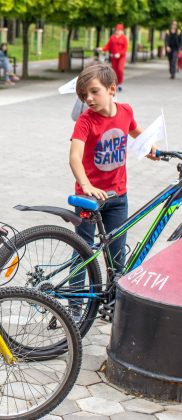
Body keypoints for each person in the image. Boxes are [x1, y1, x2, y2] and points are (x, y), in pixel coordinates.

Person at [69, 63, 157, 314]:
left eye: (94, 92)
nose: (89, 99)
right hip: (88, 197)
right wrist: (86, 185)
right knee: (83, 251)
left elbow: (137, 134)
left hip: (118, 195)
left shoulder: (126, 111)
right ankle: (74, 308)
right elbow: (75, 156)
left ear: (111, 89)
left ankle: (111, 304)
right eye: (84, 95)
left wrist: (149, 147)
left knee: (116, 253)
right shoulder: (86, 120)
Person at [100, 24, 128, 91]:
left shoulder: (124, 38)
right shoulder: (112, 37)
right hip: (114, 57)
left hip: (121, 57)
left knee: (120, 70)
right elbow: (108, 46)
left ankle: (120, 83)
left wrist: (119, 53)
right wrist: (102, 49)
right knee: (114, 71)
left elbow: (125, 48)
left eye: (119, 30)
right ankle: (115, 84)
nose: (118, 31)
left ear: (122, 31)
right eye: (117, 30)